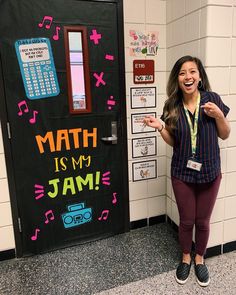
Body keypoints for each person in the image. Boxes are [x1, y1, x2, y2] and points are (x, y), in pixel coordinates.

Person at [143, 55, 230, 287]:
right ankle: (185, 258)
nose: (188, 76)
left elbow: (225, 134)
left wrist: (219, 115)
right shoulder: (171, 105)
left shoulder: (212, 100)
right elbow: (174, 141)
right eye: (182, 73)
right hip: (182, 172)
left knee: (203, 221)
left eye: (192, 71)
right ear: (177, 78)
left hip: (210, 172)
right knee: (186, 221)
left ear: (200, 76)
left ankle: (199, 260)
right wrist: (161, 127)